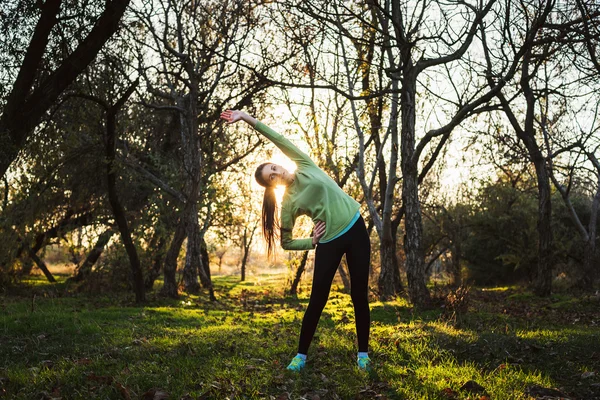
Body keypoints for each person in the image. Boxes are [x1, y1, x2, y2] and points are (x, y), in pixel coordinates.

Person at [220, 109, 371, 372]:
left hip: (356, 228)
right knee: (317, 300)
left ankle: (363, 356)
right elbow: (286, 242)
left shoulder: (304, 164)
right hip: (329, 242)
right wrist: (312, 241)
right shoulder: (288, 202)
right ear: (272, 185)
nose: (277, 172)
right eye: (272, 176)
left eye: (274, 167)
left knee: (359, 295)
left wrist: (244, 117)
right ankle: (300, 357)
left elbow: (275, 137)